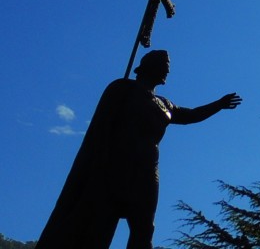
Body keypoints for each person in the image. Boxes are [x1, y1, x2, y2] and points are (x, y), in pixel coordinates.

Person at [36, 50, 241, 249]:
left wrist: (219, 104)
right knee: (100, 223)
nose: (167, 71)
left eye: (168, 67)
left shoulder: (165, 104)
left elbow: (190, 115)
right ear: (147, 67)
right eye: (163, 66)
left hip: (147, 170)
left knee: (144, 228)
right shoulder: (122, 89)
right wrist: (98, 163)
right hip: (116, 167)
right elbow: (102, 126)